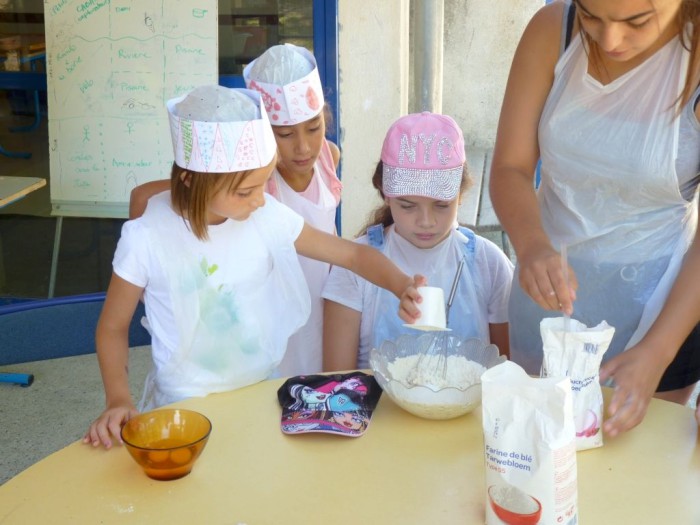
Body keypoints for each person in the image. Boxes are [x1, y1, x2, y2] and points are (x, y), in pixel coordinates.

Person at [84, 85, 422, 449]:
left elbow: (352, 255)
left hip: (260, 395)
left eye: (263, 184)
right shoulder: (146, 236)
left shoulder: (264, 216)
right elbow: (113, 327)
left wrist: (401, 283)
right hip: (183, 408)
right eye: (245, 191)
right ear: (190, 179)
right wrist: (118, 399)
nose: (260, 199)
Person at [489, 0, 700, 436]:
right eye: (591, 16)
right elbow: (510, 167)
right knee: (539, 458)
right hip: (546, 295)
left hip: (664, 311)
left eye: (637, 21)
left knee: (626, 483)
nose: (609, 40)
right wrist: (531, 246)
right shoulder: (552, 31)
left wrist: (658, 352)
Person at [128, 44, 341, 377]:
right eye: (284, 134)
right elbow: (143, 196)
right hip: (268, 309)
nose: (303, 146)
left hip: (318, 300)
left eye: (313, 128)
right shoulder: (255, 181)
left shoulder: (329, 157)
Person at [322, 112, 514, 372]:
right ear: (386, 195)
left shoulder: (489, 264)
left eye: (441, 205)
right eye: (408, 205)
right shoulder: (353, 268)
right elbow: (338, 380)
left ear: (460, 195)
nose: (426, 221)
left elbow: (505, 372)